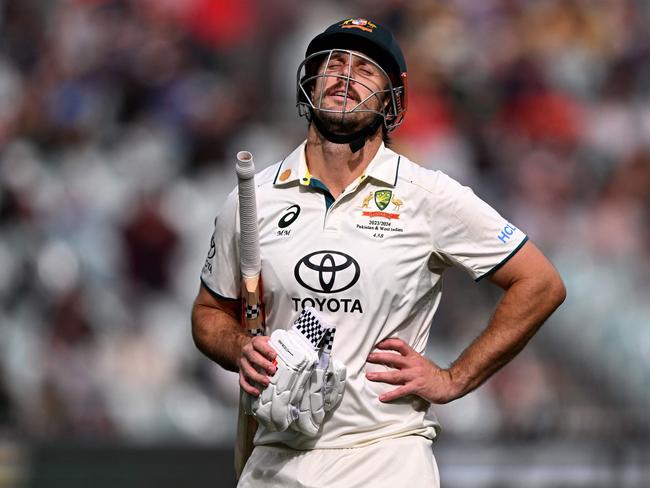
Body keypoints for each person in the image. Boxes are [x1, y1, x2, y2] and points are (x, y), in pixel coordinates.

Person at [192, 18, 566, 488]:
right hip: (277, 457)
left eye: (366, 70)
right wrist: (240, 347)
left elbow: (540, 283)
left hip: (386, 457)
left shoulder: (427, 195)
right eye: (335, 63)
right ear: (310, 81)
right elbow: (209, 313)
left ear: (392, 100)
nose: (346, 77)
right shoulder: (255, 197)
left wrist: (454, 378)